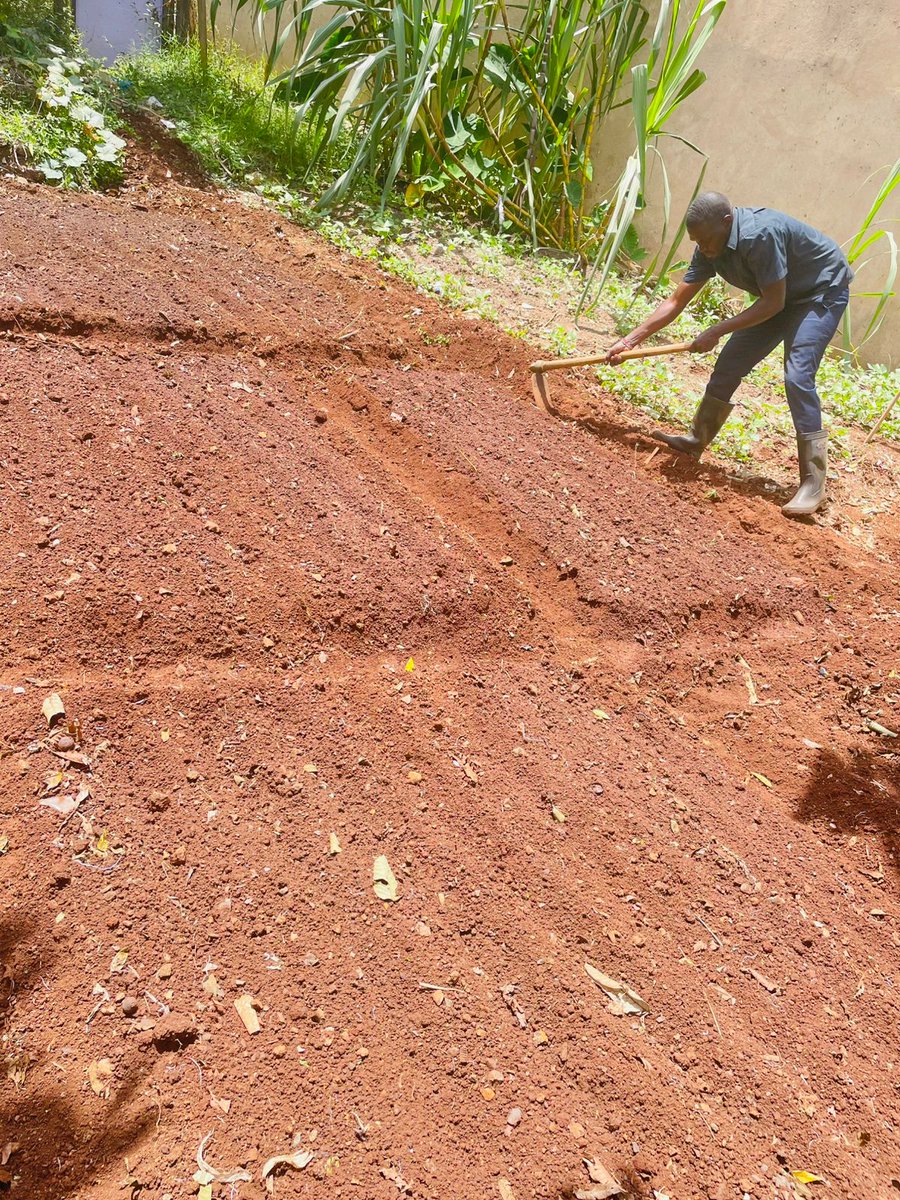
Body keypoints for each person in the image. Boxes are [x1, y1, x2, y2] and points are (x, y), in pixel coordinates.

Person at [605, 192, 852, 517]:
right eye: (697, 242)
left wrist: (717, 330)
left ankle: (813, 483)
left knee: (797, 375)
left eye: (706, 240)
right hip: (778, 297)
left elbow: (773, 303)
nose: (703, 248)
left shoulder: (759, 235)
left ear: (726, 222)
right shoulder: (709, 245)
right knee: (729, 363)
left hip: (820, 292)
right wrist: (630, 340)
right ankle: (696, 439)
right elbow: (676, 301)